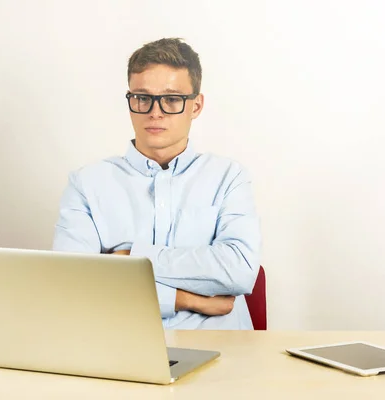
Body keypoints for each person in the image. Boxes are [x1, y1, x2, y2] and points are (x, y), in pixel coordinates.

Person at [53, 38, 261, 329]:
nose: (155, 112)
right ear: (130, 101)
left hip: (224, 355)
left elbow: (239, 271)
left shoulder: (229, 177)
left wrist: (133, 258)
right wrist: (186, 299)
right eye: (142, 98)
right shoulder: (86, 184)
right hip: (121, 352)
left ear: (196, 105)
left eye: (172, 99)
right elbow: (71, 285)